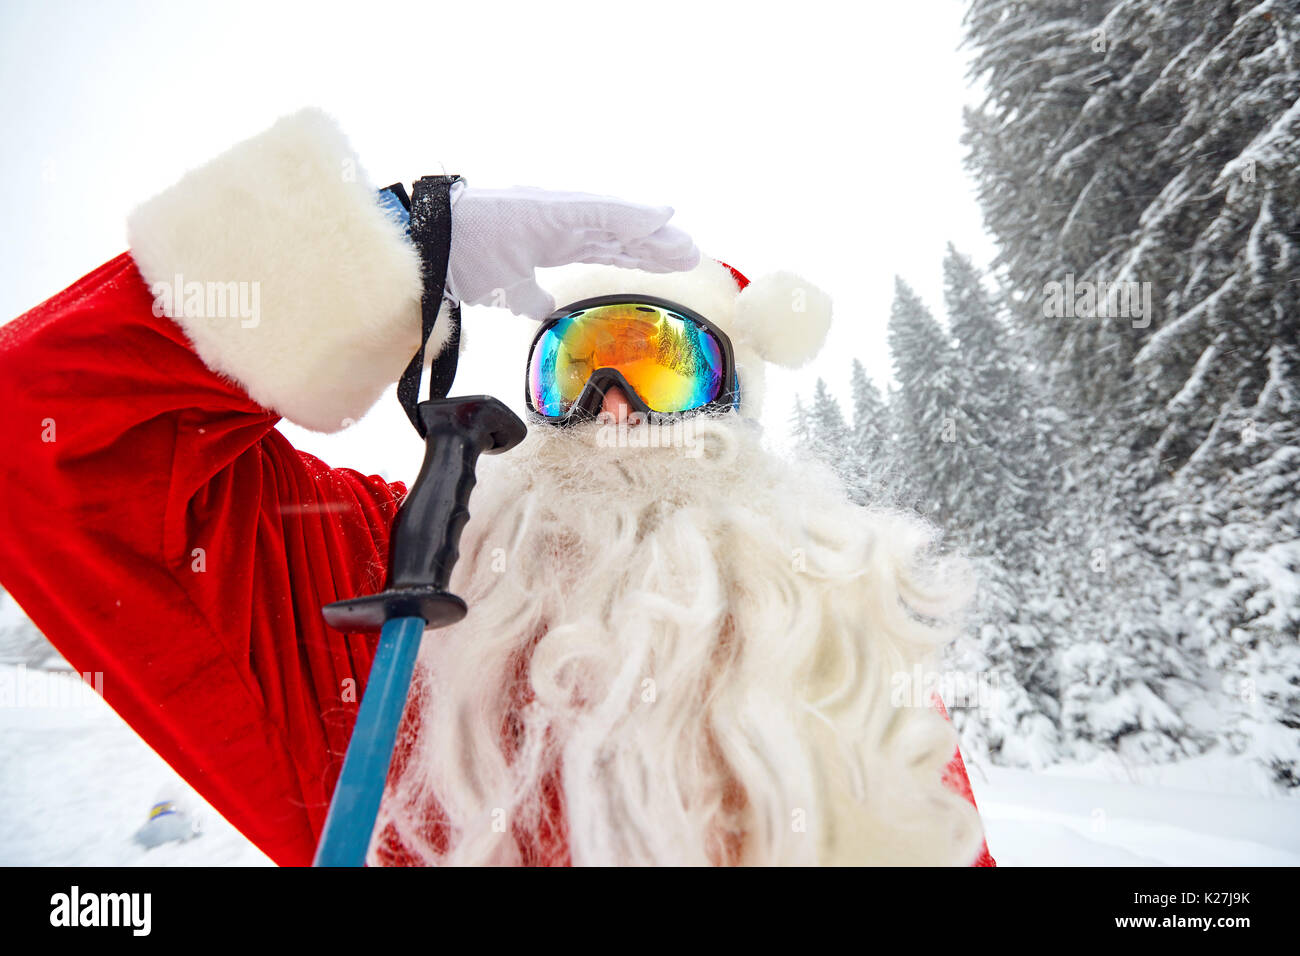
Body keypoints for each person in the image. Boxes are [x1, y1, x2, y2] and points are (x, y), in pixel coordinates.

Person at [0, 108, 994, 866]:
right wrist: (396, 252)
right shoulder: (392, 589)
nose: (610, 405)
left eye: (659, 364)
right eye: (574, 362)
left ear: (734, 403)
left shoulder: (835, 654)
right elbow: (38, 434)